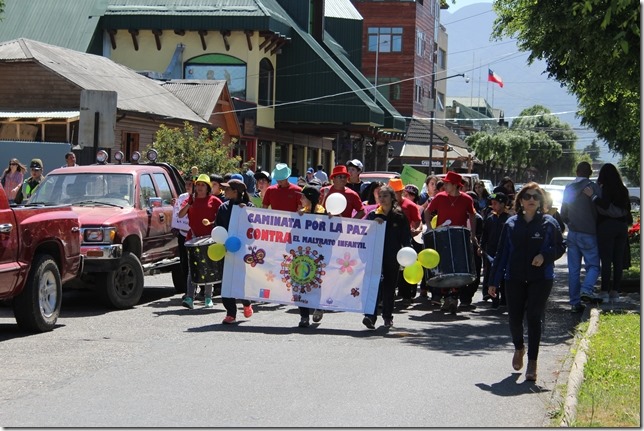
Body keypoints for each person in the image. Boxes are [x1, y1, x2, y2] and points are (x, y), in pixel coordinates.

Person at [488, 183, 562, 382]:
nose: (531, 200)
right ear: (520, 200)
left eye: (536, 197)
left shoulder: (549, 223)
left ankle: (532, 362)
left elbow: (560, 247)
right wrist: (493, 281)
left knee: (534, 317)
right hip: (514, 277)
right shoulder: (511, 224)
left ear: (541, 202)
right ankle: (519, 347)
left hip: (541, 278)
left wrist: (545, 256)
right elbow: (501, 253)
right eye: (527, 196)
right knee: (514, 318)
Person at [425, 171, 478, 313]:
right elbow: (427, 212)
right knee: (444, 266)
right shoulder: (440, 197)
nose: (444, 185)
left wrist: (472, 234)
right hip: (442, 236)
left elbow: (472, 215)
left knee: (457, 266)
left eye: (447, 183)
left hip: (459, 236)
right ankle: (447, 297)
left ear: (455, 185)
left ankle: (453, 297)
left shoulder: (467, 199)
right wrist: (430, 229)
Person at [363, 185, 412, 329]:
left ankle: (387, 316)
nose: (382, 199)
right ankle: (370, 317)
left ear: (392, 198)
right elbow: (362, 232)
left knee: (389, 288)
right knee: (374, 286)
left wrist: (406, 253)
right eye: (380, 196)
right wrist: (373, 225)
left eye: (385, 196)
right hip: (375, 256)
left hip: (393, 256)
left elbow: (405, 238)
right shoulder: (373, 215)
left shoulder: (399, 216)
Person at [583, 163, 631, 303]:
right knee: (617, 260)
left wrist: (592, 196)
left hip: (606, 226)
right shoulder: (623, 189)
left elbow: (603, 205)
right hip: (621, 226)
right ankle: (615, 292)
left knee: (606, 260)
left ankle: (604, 291)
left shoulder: (604, 189)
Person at [561, 161, 602, 312]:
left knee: (574, 270)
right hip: (589, 232)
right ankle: (586, 289)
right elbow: (600, 208)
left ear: (576, 172)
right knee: (593, 266)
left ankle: (574, 303)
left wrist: (570, 223)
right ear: (590, 173)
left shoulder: (569, 188)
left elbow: (563, 211)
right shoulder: (593, 187)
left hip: (573, 232)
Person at [178, 174, 223, 309]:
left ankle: (208, 297)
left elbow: (224, 214)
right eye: (198, 185)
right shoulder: (190, 200)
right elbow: (180, 215)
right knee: (193, 268)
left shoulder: (214, 200)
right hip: (193, 238)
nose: (200, 187)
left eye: (203, 185)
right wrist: (189, 204)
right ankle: (190, 297)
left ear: (208, 187)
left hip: (210, 239)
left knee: (208, 268)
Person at [216, 179, 255, 324]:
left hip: (243, 250)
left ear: (236, 192)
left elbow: (254, 229)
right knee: (227, 280)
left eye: (227, 189)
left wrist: (246, 212)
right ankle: (230, 312)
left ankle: (246, 302)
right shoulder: (223, 208)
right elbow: (218, 227)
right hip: (225, 249)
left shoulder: (249, 207)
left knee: (240, 279)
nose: (224, 191)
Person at [295, 185, 326, 327]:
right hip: (303, 255)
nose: (300, 199)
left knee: (316, 283)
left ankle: (318, 307)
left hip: (319, 255)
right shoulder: (301, 213)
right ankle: (304, 316)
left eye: (303, 197)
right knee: (301, 283)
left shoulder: (324, 214)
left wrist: (333, 218)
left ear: (310, 199)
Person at [389, 179, 422, 305]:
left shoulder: (410, 205)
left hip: (405, 239)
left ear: (401, 192)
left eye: (395, 192)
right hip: (389, 239)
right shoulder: (384, 205)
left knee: (406, 267)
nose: (393, 195)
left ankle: (407, 295)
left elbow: (418, 221)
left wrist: (417, 230)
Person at [479, 191, 510, 309]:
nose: (494, 206)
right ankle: (493, 297)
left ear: (503, 204)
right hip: (490, 251)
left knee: (503, 276)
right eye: (492, 203)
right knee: (491, 273)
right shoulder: (490, 219)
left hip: (503, 252)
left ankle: (504, 299)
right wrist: (481, 247)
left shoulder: (508, 219)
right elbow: (485, 235)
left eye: (496, 203)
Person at [458, 191, 484, 310]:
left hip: (473, 248)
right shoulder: (459, 215)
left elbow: (480, 235)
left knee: (475, 273)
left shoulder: (478, 218)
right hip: (461, 247)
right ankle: (463, 298)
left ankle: (467, 297)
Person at [173, 175, 195, 298]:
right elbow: (178, 214)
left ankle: (203, 289)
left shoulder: (200, 197)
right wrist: (174, 226)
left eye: (190, 184)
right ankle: (189, 290)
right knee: (184, 262)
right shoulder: (182, 198)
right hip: (183, 233)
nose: (187, 186)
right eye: (186, 184)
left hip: (195, 234)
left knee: (198, 262)